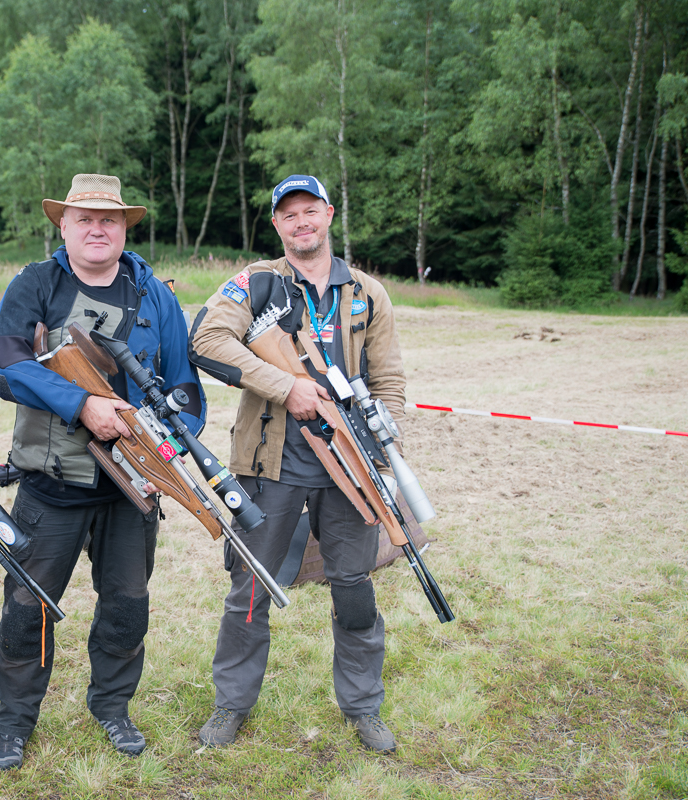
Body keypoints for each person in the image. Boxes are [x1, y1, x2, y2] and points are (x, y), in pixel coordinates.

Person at [0, 173, 205, 770]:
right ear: (64, 225)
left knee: (128, 606)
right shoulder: (36, 283)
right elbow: (8, 358)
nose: (97, 228)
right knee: (28, 609)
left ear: (125, 227)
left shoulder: (154, 294)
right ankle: (14, 722)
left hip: (133, 487)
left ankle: (112, 707)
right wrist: (81, 403)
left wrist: (171, 444)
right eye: (85, 218)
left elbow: (185, 385)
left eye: (109, 219)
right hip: (50, 484)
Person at [188, 175, 407, 754]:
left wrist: (385, 444)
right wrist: (286, 386)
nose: (301, 222)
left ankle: (363, 707)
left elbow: (388, 380)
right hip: (270, 463)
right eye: (290, 215)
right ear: (277, 225)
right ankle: (232, 705)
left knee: (354, 584)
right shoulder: (256, 283)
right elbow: (207, 339)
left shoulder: (367, 293)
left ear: (328, 214)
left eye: (310, 211)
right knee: (251, 588)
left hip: (349, 463)